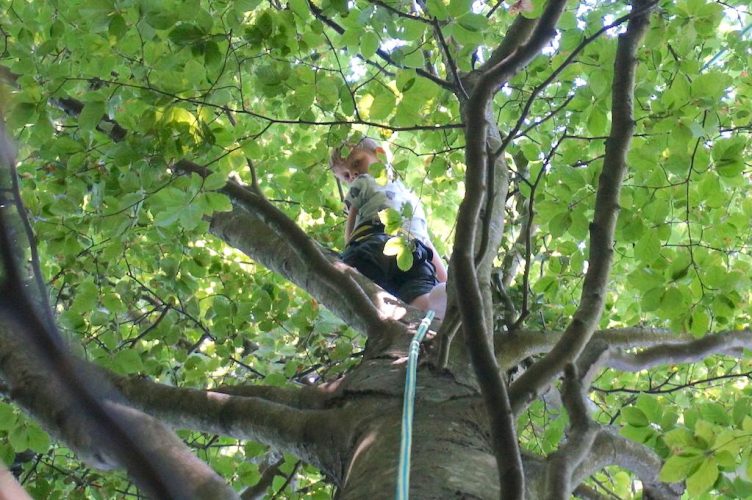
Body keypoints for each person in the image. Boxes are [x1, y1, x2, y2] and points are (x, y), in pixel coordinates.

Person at [329, 136, 447, 317]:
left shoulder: (369, 183)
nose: (352, 174)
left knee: (375, 294)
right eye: (345, 175)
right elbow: (424, 239)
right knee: (414, 289)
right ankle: (430, 305)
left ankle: (426, 309)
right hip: (396, 246)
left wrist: (349, 250)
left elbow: (425, 240)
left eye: (357, 163)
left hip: (390, 247)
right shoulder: (405, 197)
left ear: (380, 154)